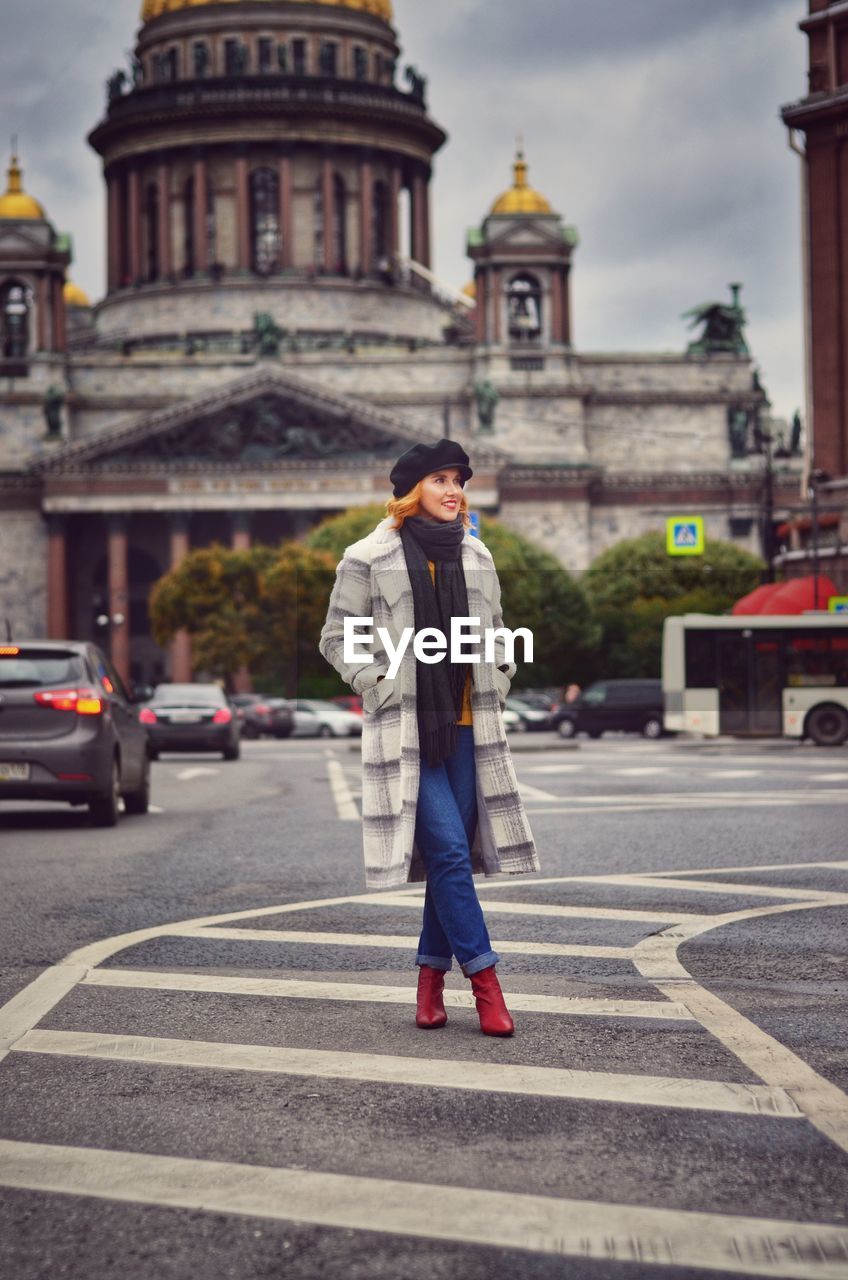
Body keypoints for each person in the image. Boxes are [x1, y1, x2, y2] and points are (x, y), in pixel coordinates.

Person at [319, 438, 539, 1038]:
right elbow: (336, 638)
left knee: (451, 863)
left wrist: (502, 667)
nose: (453, 491)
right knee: (447, 851)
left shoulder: (476, 556)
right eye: (441, 479)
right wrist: (376, 683)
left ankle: (428, 980)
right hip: (407, 730)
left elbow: (494, 629)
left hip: (472, 727)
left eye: (459, 480)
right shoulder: (368, 557)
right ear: (413, 491)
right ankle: (487, 984)